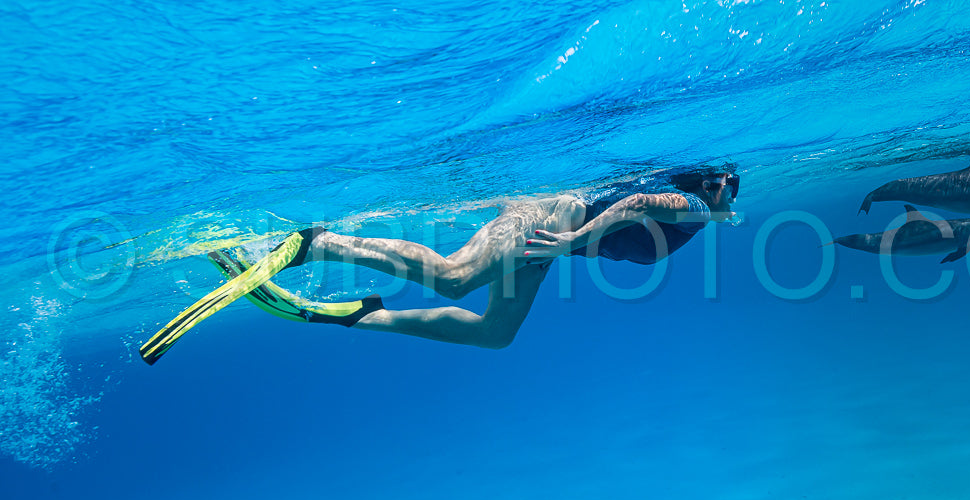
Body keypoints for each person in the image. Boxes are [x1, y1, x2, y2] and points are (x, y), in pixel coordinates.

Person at [282, 166, 740, 349]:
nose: (731, 195)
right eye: (728, 185)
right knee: (455, 278)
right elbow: (635, 206)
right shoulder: (696, 210)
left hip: (552, 238)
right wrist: (570, 239)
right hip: (544, 219)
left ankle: (363, 317)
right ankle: (317, 243)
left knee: (496, 333)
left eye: (734, 188)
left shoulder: (698, 215)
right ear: (708, 185)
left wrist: (567, 241)